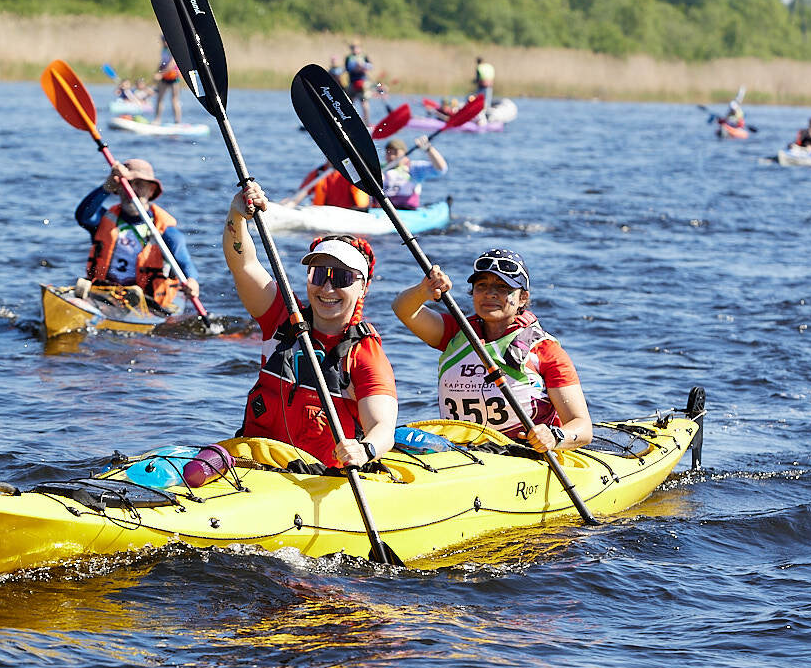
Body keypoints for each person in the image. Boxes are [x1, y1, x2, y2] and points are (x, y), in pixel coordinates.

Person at [222, 181, 397, 470]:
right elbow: (243, 265)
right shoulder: (280, 317)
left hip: (318, 477)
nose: (327, 288)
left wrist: (364, 450)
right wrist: (237, 215)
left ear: (362, 288)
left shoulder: (363, 355)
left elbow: (382, 426)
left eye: (341, 278)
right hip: (255, 467)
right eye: (319, 275)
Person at [391, 250, 592, 455]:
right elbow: (403, 309)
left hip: (520, 454)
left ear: (523, 298)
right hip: (458, 450)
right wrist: (423, 290)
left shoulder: (545, 351)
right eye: (482, 286)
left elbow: (582, 427)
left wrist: (554, 436)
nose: (490, 293)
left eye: (503, 287)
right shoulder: (455, 333)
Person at [74, 157, 199, 311]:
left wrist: (192, 282)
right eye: (128, 184)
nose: (132, 190)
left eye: (140, 184)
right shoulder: (103, 220)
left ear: (151, 190)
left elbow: (185, 263)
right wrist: (105, 187)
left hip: (147, 301)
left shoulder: (166, 232)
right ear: (118, 188)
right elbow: (82, 215)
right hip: (104, 293)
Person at [382, 137, 447, 210]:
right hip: (381, 210)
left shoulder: (414, 168)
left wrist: (429, 149)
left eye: (395, 153)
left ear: (404, 153)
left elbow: (440, 169)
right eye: (388, 153)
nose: (391, 156)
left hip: (406, 210)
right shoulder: (380, 168)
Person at [285, 163, 369, 211]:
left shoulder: (354, 175)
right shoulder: (318, 173)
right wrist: (287, 204)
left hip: (349, 214)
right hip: (324, 213)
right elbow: (300, 194)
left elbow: (362, 206)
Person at [153, 37, 182, 125]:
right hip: (164, 78)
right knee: (159, 99)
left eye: (165, 41)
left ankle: (177, 122)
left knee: (174, 100)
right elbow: (162, 63)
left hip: (173, 77)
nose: (163, 43)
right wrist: (157, 72)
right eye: (163, 41)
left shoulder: (172, 50)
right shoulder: (163, 50)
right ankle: (157, 120)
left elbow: (172, 65)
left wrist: (160, 74)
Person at [344, 41, 373, 125]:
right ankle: (349, 121)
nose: (354, 49)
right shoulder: (349, 58)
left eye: (356, 47)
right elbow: (348, 68)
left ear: (360, 48)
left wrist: (363, 65)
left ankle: (366, 122)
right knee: (349, 102)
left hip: (363, 83)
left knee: (364, 102)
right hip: (353, 83)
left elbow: (370, 66)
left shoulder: (364, 56)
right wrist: (356, 66)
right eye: (353, 48)